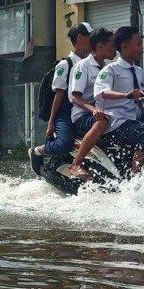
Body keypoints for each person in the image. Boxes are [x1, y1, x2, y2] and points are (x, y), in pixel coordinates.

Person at [29, 22, 94, 176]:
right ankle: (37, 151)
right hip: (64, 111)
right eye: (90, 36)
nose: (94, 40)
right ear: (80, 38)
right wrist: (51, 122)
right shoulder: (66, 64)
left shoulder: (91, 64)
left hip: (83, 110)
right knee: (64, 143)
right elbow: (59, 94)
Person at [93, 27, 144, 174]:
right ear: (125, 46)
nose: (142, 48)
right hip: (117, 122)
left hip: (135, 119)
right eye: (139, 44)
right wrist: (126, 95)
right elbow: (102, 92)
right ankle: (136, 179)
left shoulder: (139, 72)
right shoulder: (110, 70)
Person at [67, 28, 116, 178]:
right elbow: (75, 97)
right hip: (83, 115)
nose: (116, 49)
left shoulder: (109, 68)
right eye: (112, 45)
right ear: (100, 46)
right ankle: (76, 164)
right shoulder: (83, 66)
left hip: (105, 112)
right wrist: (93, 109)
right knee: (102, 122)